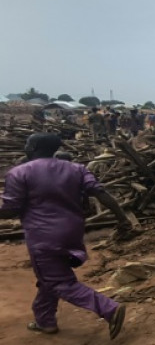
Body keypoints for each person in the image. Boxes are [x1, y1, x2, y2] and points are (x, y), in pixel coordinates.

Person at [0, 133, 130, 339]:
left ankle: (109, 309)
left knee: (59, 281)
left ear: (33, 147)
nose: (25, 147)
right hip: (73, 231)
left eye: (27, 143)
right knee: (49, 277)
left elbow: (10, 209)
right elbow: (101, 193)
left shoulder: (20, 172)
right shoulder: (77, 168)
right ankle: (45, 321)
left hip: (43, 235)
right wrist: (122, 218)